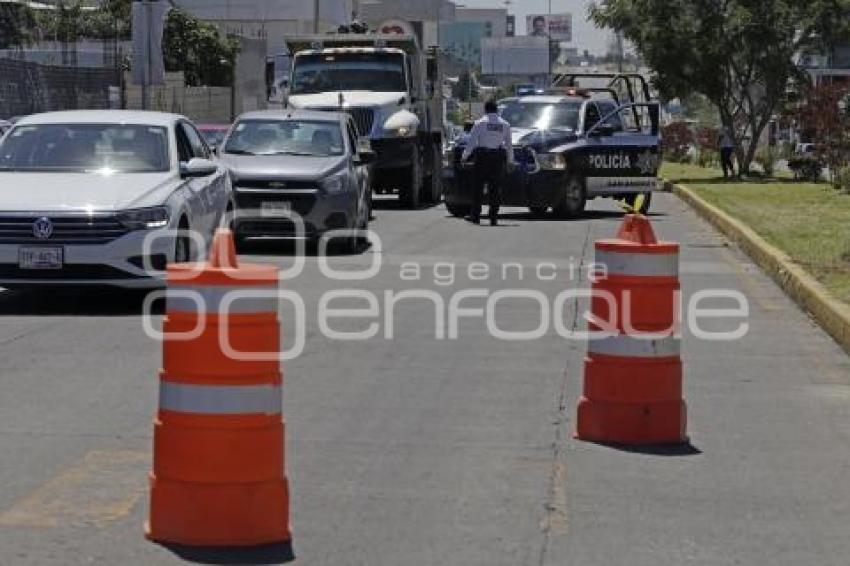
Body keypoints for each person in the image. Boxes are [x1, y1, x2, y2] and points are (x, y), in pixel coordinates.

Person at [461, 99, 514, 226]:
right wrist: (510, 161)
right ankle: (493, 217)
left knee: (478, 187)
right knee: (495, 188)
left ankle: (475, 216)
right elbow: (509, 145)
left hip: (482, 157)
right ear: (497, 110)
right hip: (497, 158)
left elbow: (472, 143)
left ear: (485, 110)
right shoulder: (505, 125)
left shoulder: (480, 123)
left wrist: (464, 157)